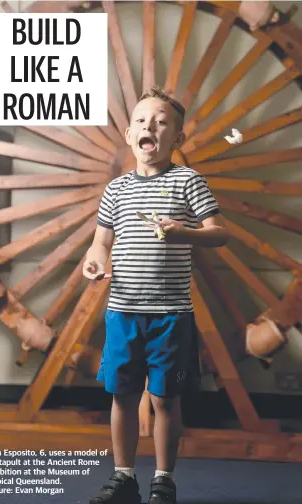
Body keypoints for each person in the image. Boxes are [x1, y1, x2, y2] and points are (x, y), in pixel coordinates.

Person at [83, 85, 230, 504]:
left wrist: (185, 232)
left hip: (170, 314)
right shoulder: (116, 190)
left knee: (165, 399)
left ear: (177, 140)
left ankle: (163, 480)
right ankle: (123, 477)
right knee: (123, 396)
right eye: (143, 120)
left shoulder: (188, 181)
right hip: (122, 311)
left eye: (163, 122)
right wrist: (92, 261)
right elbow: (101, 243)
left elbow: (220, 234)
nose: (151, 125)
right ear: (130, 134)